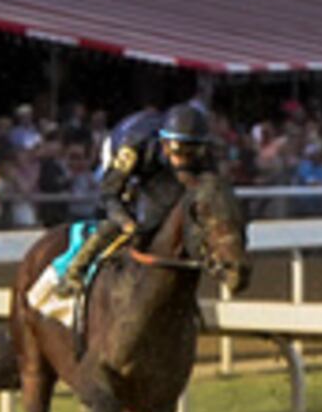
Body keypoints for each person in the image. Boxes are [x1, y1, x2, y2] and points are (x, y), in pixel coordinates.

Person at [50, 101, 219, 295]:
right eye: (178, 150)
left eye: (192, 152)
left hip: (155, 161)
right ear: (164, 142)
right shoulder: (132, 147)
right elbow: (108, 193)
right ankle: (75, 270)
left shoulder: (202, 152)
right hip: (120, 149)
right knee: (129, 217)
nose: (185, 160)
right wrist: (124, 220)